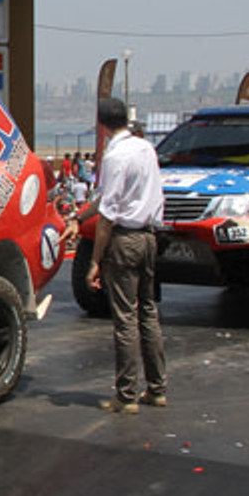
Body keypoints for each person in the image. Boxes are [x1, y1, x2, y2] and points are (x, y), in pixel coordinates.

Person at [86, 97, 167, 414]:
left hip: (124, 239)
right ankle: (157, 387)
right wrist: (80, 217)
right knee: (148, 312)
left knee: (125, 319)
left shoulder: (115, 156)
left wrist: (95, 261)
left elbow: (107, 214)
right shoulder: (145, 148)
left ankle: (126, 394)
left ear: (101, 124)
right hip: (148, 236)